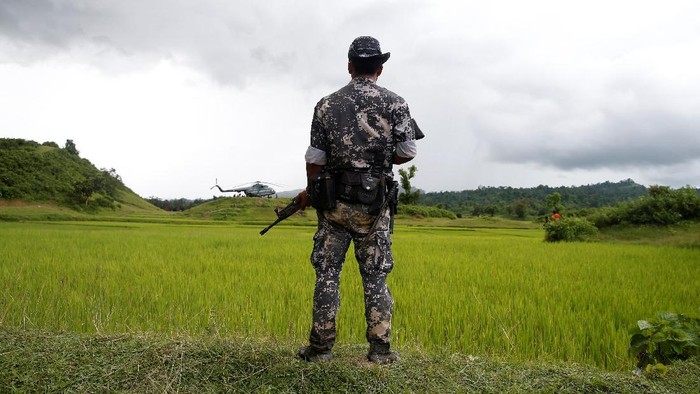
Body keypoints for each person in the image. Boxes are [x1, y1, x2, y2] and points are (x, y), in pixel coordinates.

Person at [295, 36, 423, 364]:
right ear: (380, 69)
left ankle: (321, 349)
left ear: (350, 67)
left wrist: (313, 191)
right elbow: (408, 151)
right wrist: (377, 162)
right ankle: (380, 352)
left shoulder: (326, 104)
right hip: (374, 205)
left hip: (334, 203)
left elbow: (315, 159)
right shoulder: (395, 102)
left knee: (327, 273)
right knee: (375, 275)